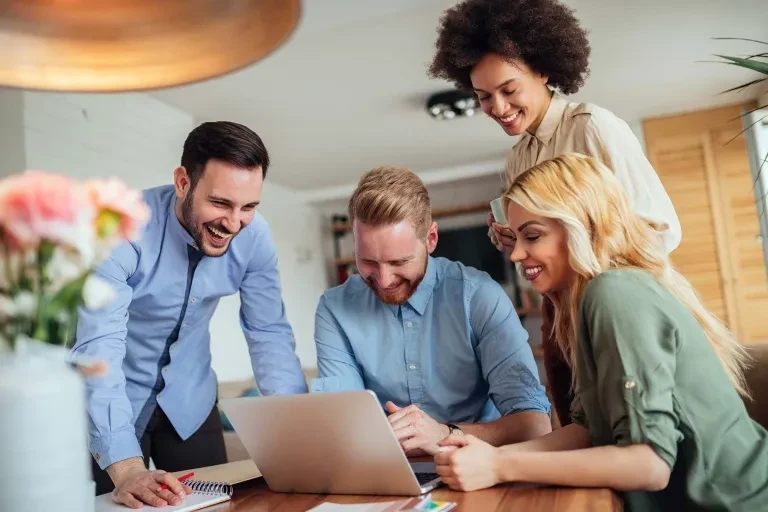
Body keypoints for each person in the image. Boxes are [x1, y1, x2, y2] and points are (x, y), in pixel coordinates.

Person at [433, 154, 768, 510]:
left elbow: (650, 465)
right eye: (515, 238)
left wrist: (501, 465)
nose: (516, 254)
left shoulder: (615, 293)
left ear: (584, 227)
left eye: (532, 235)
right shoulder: (589, 303)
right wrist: (487, 455)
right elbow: (587, 429)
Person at [427, 0, 681, 426]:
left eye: (509, 90)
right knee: (580, 427)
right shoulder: (517, 159)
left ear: (543, 70)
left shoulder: (592, 127)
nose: (498, 107)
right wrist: (515, 238)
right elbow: (536, 236)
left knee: (639, 432)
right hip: (559, 315)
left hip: (618, 305)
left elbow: (659, 230)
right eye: (484, 97)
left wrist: (591, 269)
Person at [71, 121, 308, 508]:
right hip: (110, 400)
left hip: (190, 401)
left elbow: (269, 333)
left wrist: (298, 431)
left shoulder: (255, 236)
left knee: (216, 506)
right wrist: (127, 467)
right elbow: (98, 353)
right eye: (220, 203)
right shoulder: (120, 231)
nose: (233, 223)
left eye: (248, 206)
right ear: (183, 181)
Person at [311, 166, 551, 455]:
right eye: (368, 262)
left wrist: (444, 434)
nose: (384, 280)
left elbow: (535, 425)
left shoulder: (479, 296)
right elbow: (344, 427)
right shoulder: (334, 309)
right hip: (385, 472)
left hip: (479, 466)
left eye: (399, 262)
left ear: (431, 239)